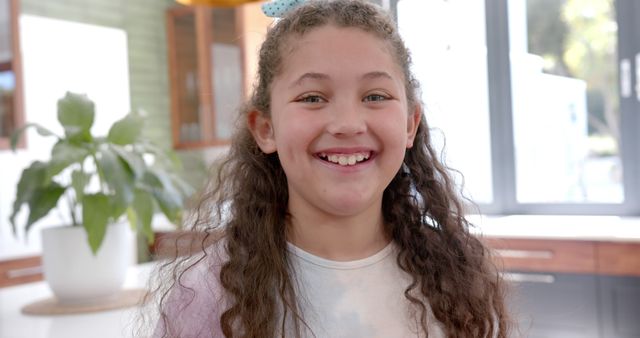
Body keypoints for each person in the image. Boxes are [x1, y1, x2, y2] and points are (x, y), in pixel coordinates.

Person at [146, 0, 510, 337]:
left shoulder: (454, 280)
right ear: (266, 129)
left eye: (375, 96)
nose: (348, 123)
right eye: (312, 98)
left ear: (410, 124)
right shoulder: (206, 294)